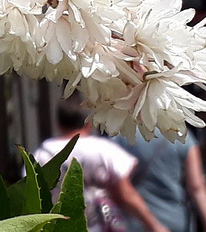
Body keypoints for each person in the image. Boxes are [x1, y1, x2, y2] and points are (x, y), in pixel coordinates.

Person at [35, 95, 170, 232]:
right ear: (88, 123)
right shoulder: (102, 149)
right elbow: (125, 194)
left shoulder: (42, 154)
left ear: (58, 124)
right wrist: (154, 226)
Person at [112, 130, 206, 232]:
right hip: (174, 220)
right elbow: (197, 187)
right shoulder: (182, 135)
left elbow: (115, 183)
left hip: (135, 221)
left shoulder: (122, 135)